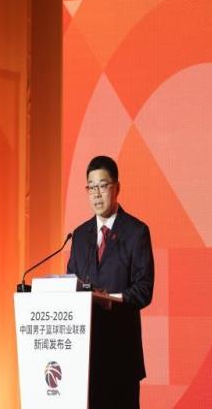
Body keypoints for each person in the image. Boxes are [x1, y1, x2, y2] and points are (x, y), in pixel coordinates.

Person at [67, 155, 154, 409]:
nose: (96, 194)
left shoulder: (136, 232)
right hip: (86, 358)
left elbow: (144, 289)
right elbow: (71, 284)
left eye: (102, 186)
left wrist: (109, 299)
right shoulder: (79, 235)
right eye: (91, 187)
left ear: (117, 188)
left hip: (121, 356)